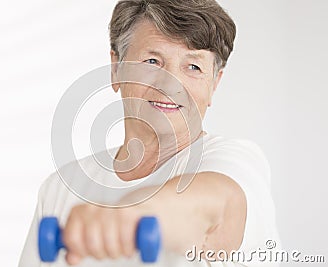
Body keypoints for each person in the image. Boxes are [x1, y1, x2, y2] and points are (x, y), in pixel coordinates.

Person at [19, 0, 280, 266]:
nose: (170, 84)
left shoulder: (237, 162)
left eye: (193, 67)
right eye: (152, 61)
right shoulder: (60, 188)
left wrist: (135, 215)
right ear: (116, 68)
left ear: (214, 84)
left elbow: (219, 205)